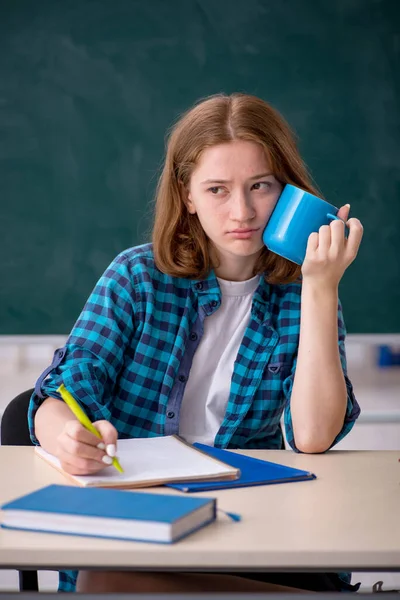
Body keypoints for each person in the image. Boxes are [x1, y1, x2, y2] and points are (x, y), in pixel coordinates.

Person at [28, 93, 363, 594]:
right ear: (187, 196)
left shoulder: (305, 292)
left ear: (287, 189)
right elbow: (61, 393)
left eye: (261, 186)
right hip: (139, 525)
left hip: (251, 530)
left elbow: (312, 437)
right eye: (217, 190)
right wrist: (65, 437)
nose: (242, 211)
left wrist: (320, 286)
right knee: (107, 580)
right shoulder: (136, 278)